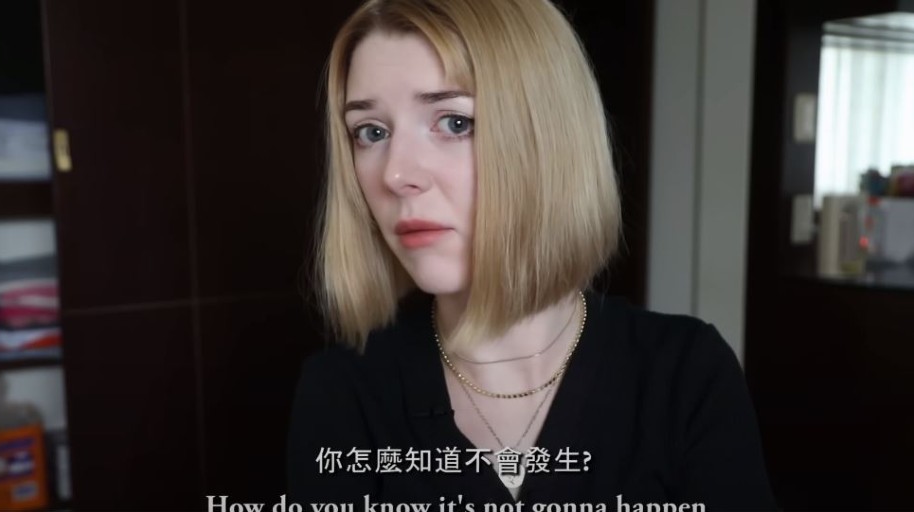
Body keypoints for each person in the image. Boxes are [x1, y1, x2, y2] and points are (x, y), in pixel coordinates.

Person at [288, 0, 776, 508]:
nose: (396, 174)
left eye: (454, 122)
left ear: (546, 140)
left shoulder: (684, 375)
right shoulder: (341, 394)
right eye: (371, 132)